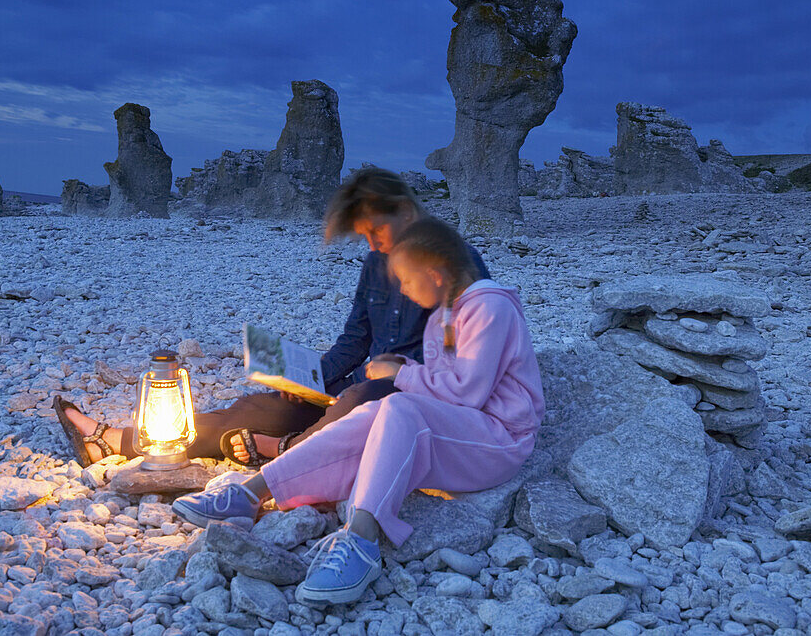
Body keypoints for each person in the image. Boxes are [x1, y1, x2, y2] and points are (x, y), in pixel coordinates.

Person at [170, 217, 545, 605]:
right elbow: (444, 383)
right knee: (372, 415)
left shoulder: (489, 308)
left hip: (500, 440)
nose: (401, 288)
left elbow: (467, 393)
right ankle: (251, 493)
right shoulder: (444, 315)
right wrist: (407, 368)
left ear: (434, 273)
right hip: (464, 434)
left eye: (406, 279)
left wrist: (402, 374)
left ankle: (362, 540)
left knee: (398, 407)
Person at [53, 168, 490, 467]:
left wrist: (389, 377)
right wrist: (309, 380)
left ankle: (285, 454)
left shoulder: (456, 266)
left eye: (376, 232)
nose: (373, 245)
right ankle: (115, 440)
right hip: (362, 382)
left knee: (353, 405)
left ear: (408, 214)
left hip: (408, 398)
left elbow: (461, 371)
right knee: (264, 406)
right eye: (365, 236)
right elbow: (355, 339)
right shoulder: (376, 264)